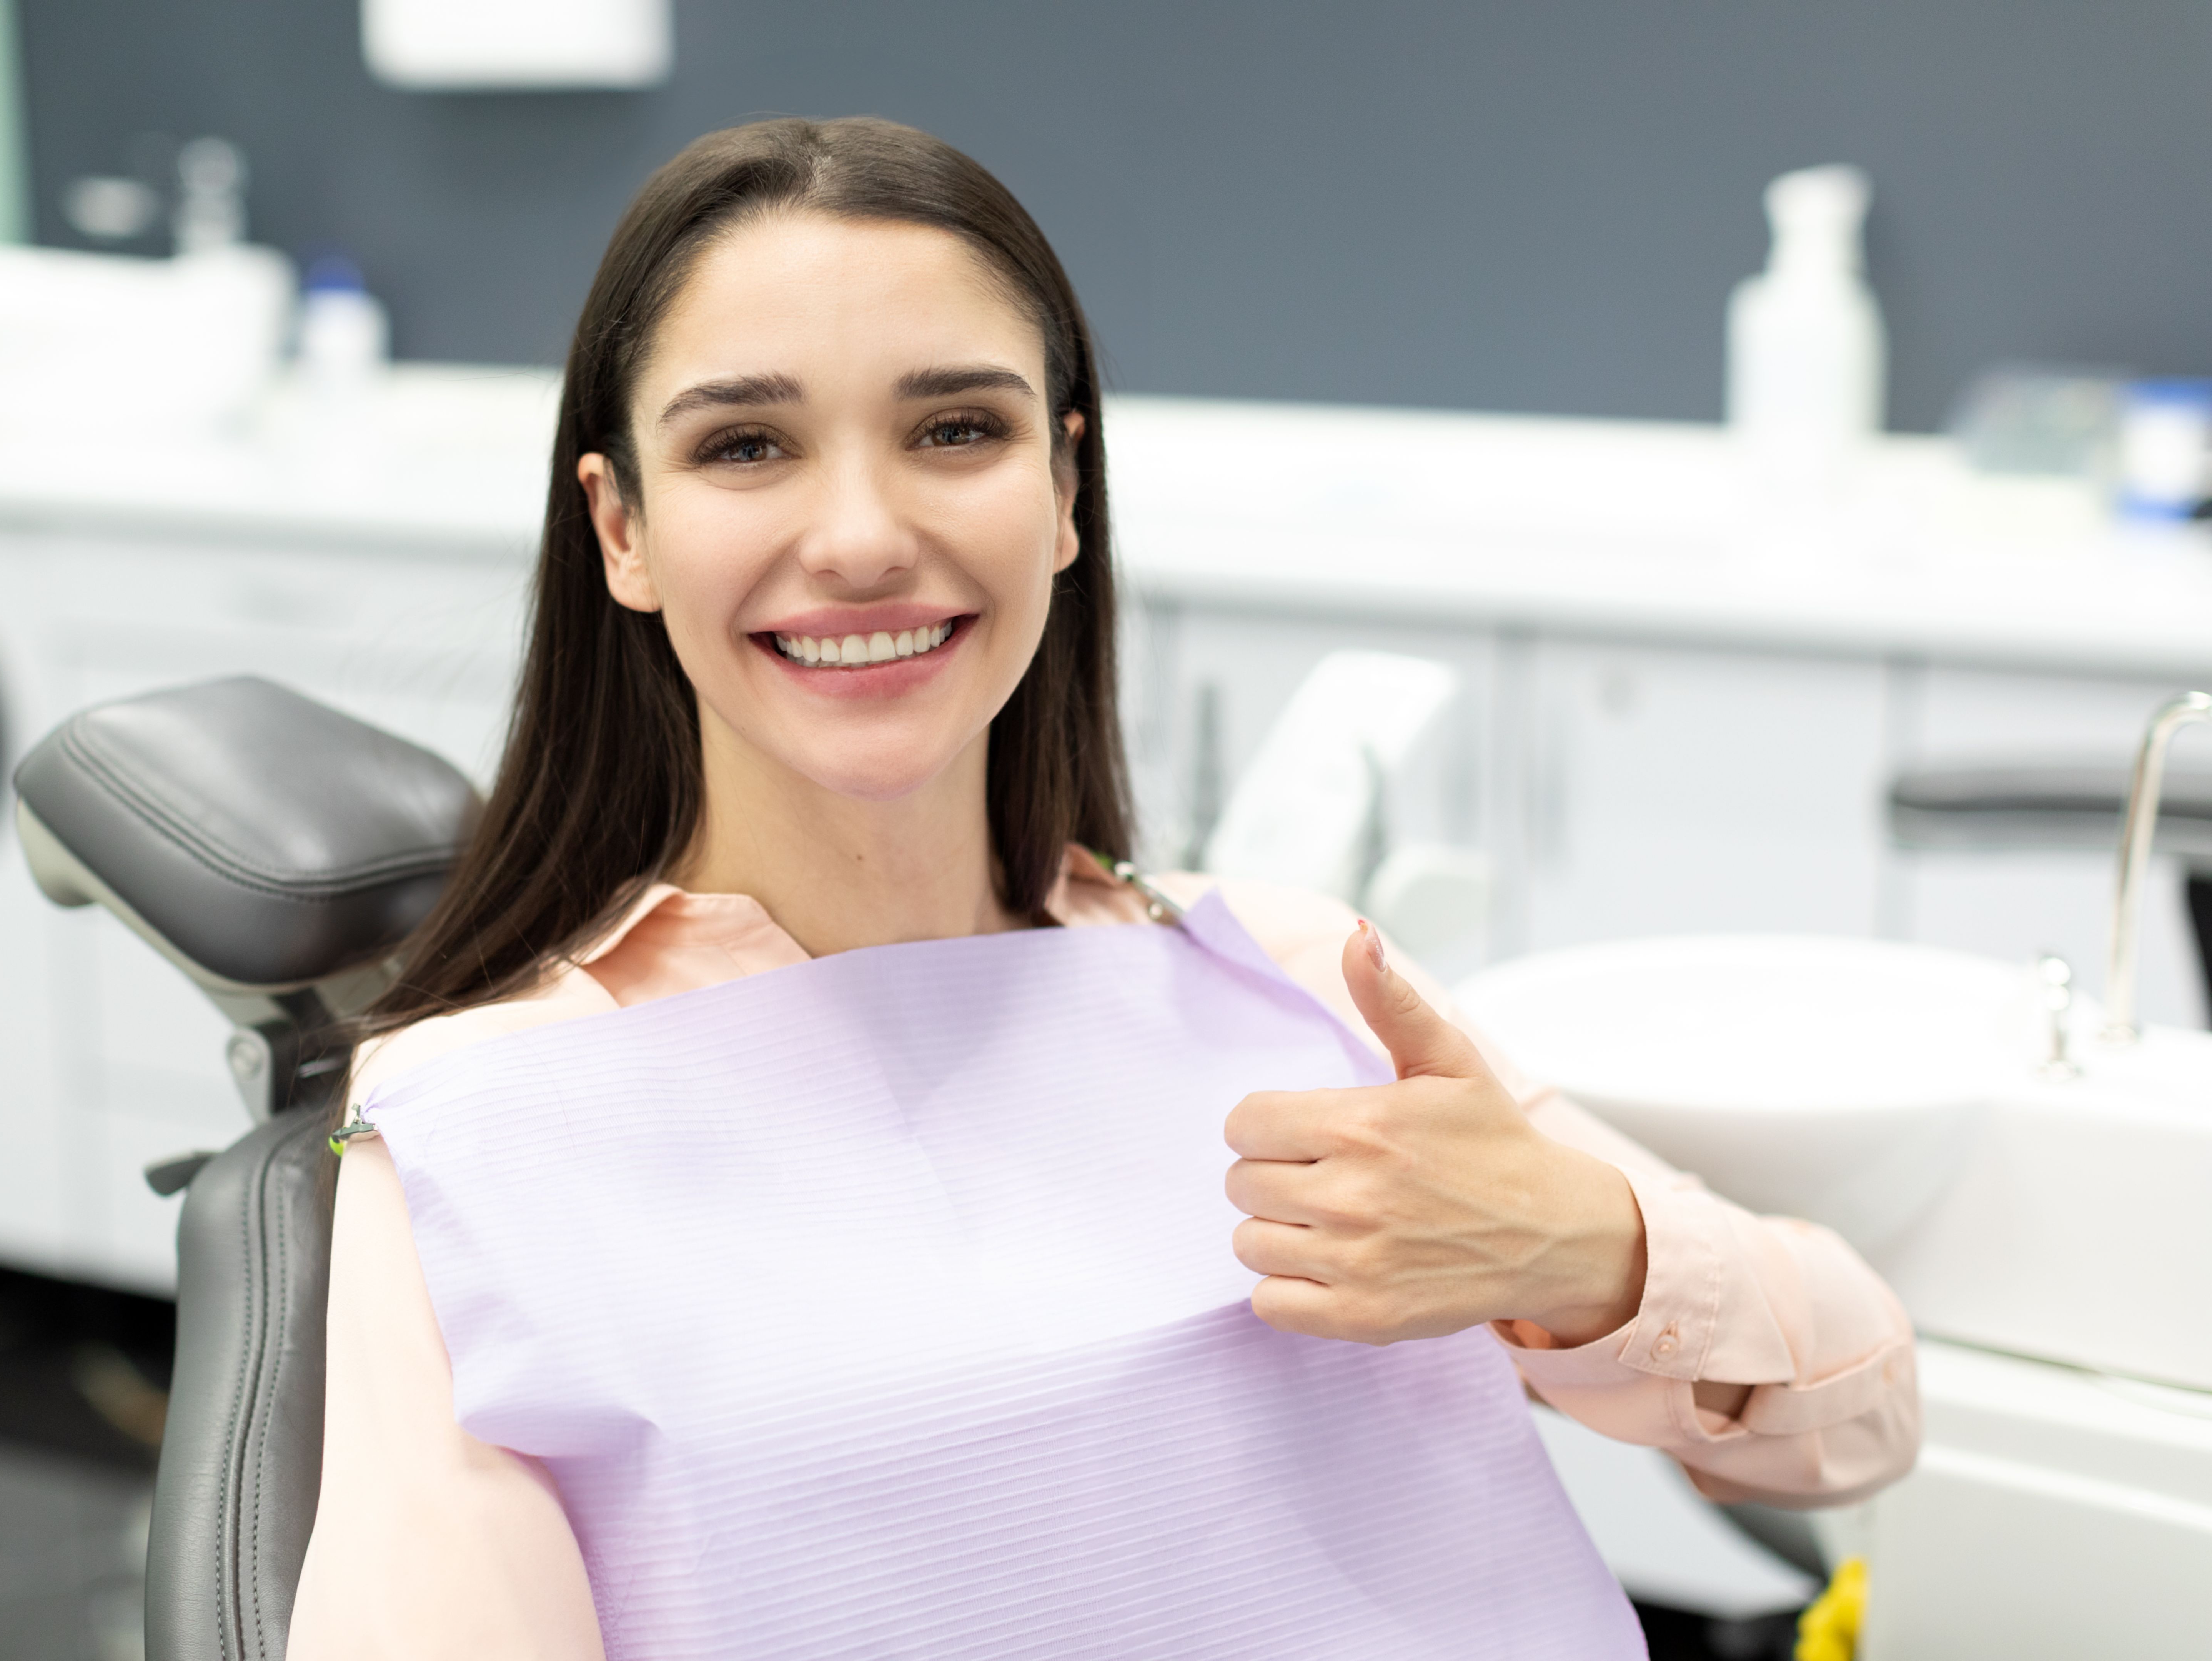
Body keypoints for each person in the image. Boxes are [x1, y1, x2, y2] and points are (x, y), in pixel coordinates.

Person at [286, 117, 1917, 1659]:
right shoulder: (473, 1129)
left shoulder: (1293, 983)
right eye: (749, 445)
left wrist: (1588, 1252)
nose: (860, 536)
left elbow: (1859, 1416)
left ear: (1065, 494)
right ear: (621, 530)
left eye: (954, 430)